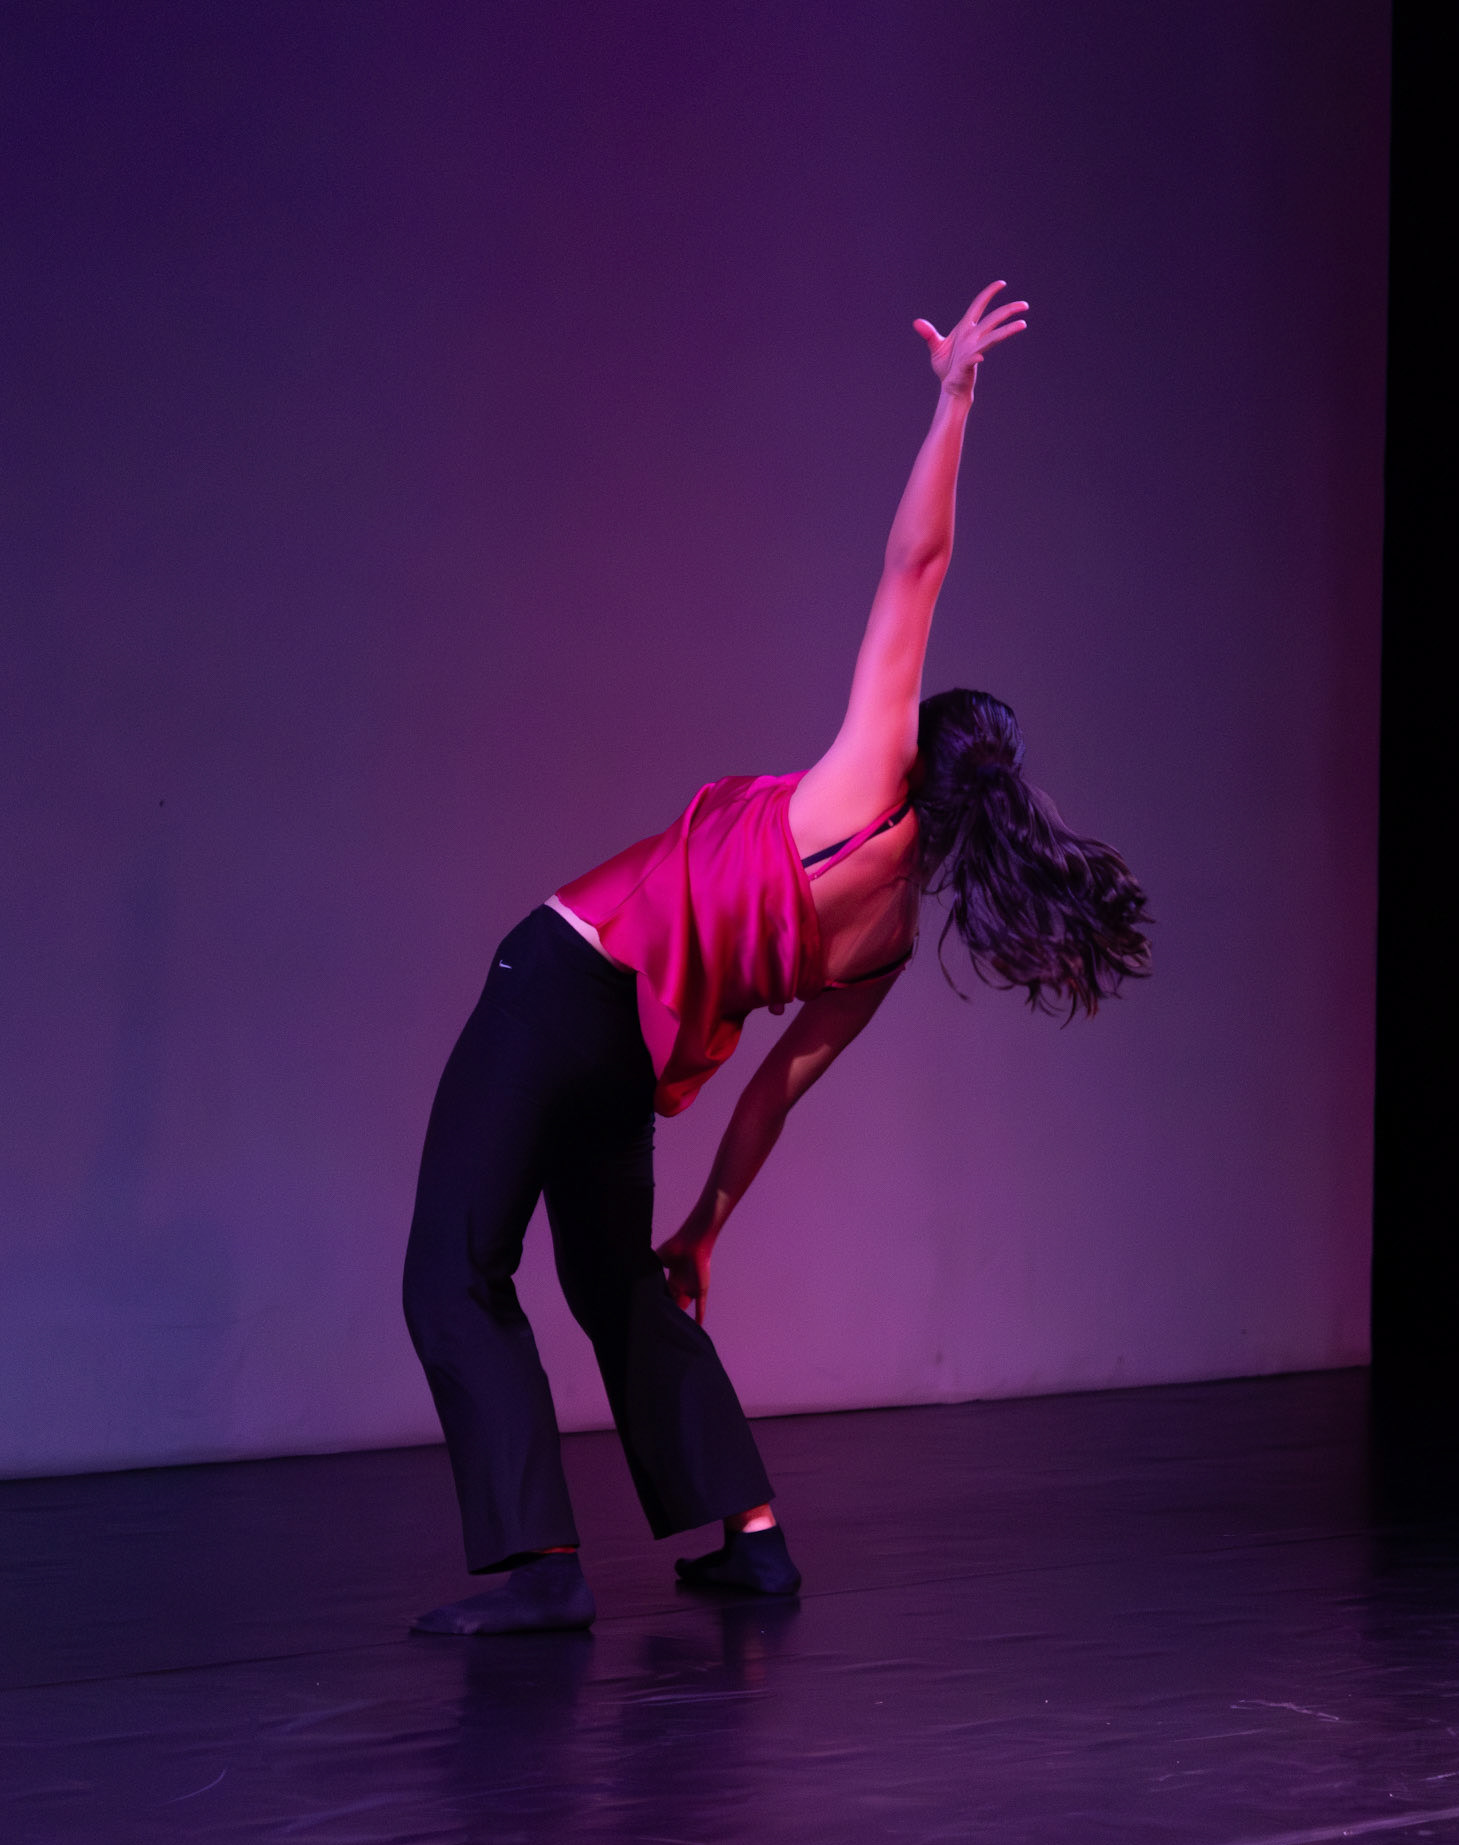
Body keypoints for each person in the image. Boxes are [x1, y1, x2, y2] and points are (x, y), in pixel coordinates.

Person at [402, 283, 1149, 1635]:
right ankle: (749, 1538)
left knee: (452, 1270)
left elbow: (914, 568)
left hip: (563, 979)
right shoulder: (888, 939)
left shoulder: (866, 787)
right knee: (619, 1278)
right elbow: (772, 1093)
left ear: (922, 751)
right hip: (634, 1058)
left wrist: (953, 401)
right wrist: (708, 1224)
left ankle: (539, 1569)